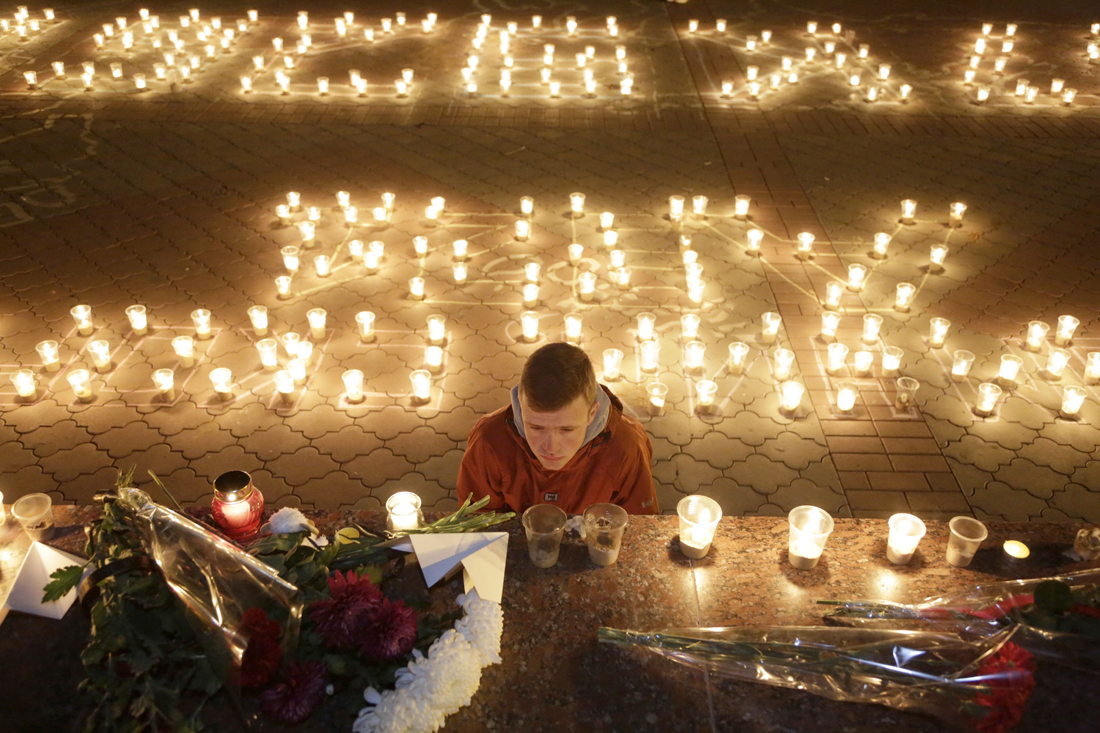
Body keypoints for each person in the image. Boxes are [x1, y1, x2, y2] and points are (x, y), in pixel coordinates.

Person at [456, 342, 658, 515]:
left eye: (567, 430)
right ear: (521, 408)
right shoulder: (489, 441)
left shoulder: (627, 447)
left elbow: (637, 525)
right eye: (536, 427)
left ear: (592, 413)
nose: (551, 448)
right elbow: (477, 520)